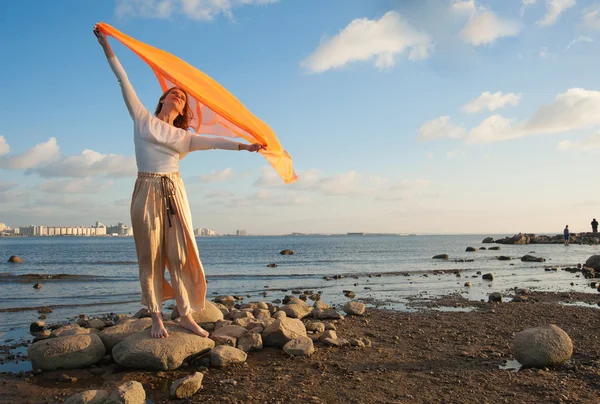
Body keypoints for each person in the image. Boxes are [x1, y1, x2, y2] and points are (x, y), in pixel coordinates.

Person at [94, 26, 263, 339]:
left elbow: (214, 141)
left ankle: (185, 314)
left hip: (174, 191)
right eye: (173, 92)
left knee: (182, 253)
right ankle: (156, 317)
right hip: (145, 190)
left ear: (185, 109)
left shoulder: (186, 138)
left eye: (182, 96)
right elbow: (123, 79)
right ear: (162, 100)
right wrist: (107, 45)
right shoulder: (142, 118)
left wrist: (246, 146)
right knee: (151, 256)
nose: (177, 95)